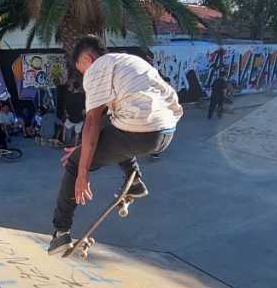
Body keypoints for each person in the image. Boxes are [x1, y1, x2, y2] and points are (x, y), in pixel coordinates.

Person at [47, 35, 181, 254]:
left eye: (81, 69)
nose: (83, 75)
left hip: (141, 131)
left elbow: (91, 122)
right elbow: (105, 126)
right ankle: (135, 180)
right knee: (111, 121)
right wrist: (83, 149)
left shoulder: (97, 69)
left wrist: (82, 170)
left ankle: (60, 232)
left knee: (73, 163)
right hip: (166, 131)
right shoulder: (130, 61)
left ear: (88, 59)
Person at [61, 79, 86, 146]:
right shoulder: (83, 96)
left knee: (65, 127)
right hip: (79, 118)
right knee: (77, 133)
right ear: (79, 87)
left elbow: (65, 108)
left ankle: (63, 140)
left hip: (71, 117)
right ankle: (75, 145)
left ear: (73, 87)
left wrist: (67, 114)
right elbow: (84, 110)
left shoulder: (70, 96)